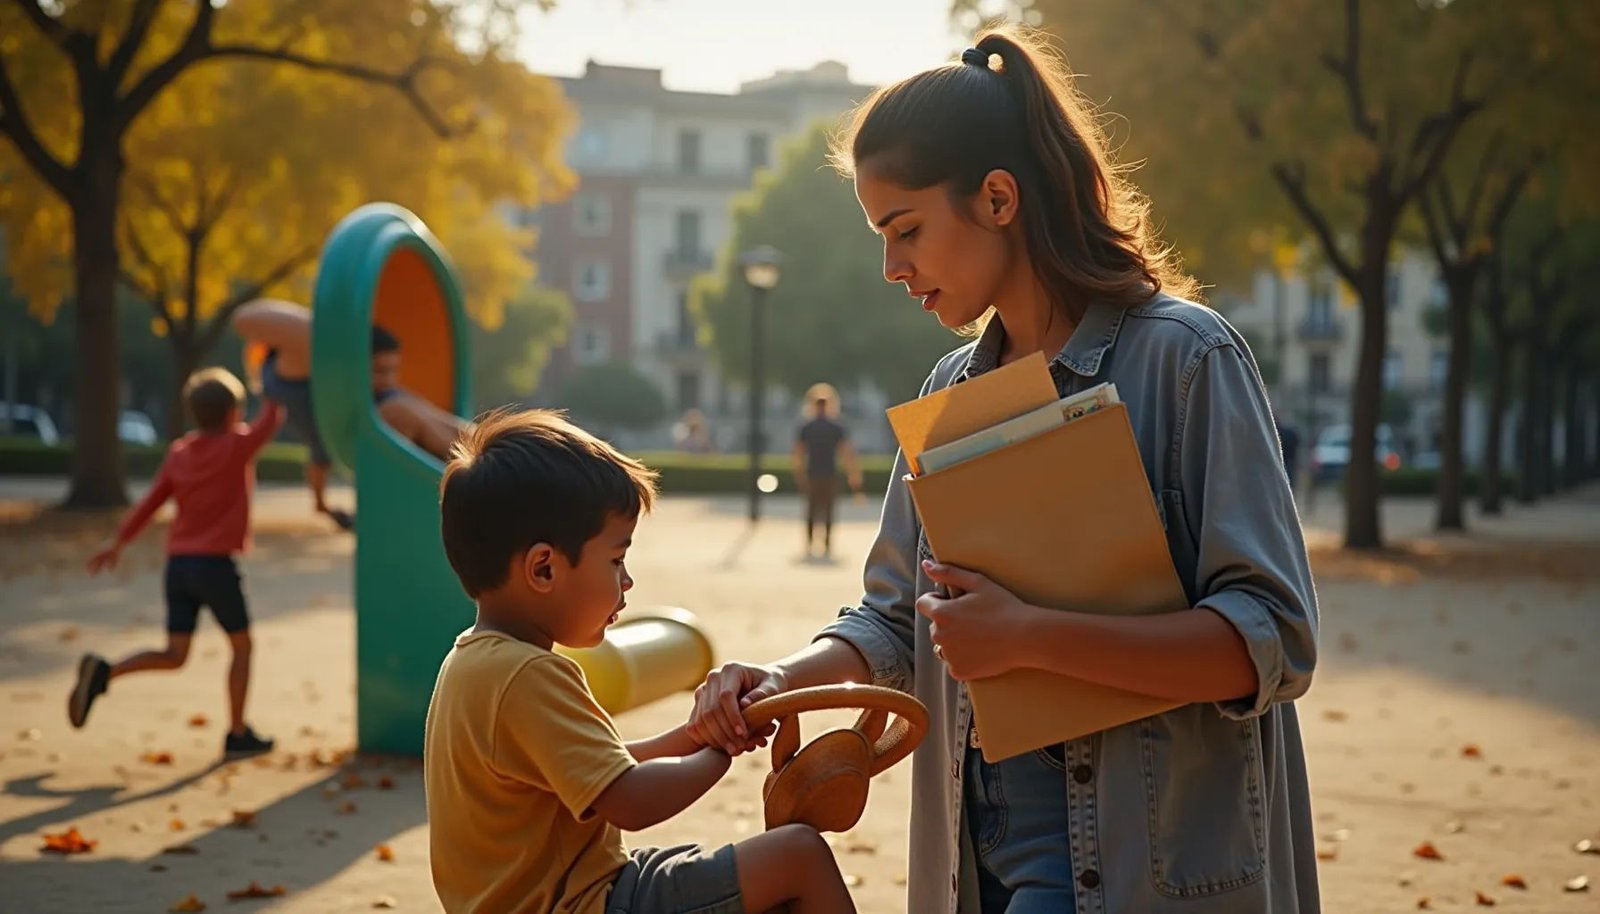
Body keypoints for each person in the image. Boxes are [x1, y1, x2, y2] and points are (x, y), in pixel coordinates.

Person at [688, 27, 1320, 914]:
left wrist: (1029, 635)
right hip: (972, 857)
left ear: (996, 198)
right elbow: (896, 621)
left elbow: (1273, 641)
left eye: (905, 229)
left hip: (1143, 862)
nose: (889, 267)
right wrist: (781, 679)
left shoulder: (1186, 360)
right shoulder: (948, 391)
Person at [424, 408, 855, 914]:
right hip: (586, 904)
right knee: (798, 856)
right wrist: (721, 751)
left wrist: (696, 736)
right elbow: (630, 800)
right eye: (615, 559)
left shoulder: (473, 663)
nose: (626, 581)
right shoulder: (529, 674)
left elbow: (606, 763)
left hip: (581, 887)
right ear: (544, 568)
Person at [71, 368, 282, 758]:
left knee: (175, 654)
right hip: (217, 566)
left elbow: (151, 501)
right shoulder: (236, 446)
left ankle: (106, 672)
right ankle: (237, 733)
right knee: (242, 647)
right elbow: (272, 416)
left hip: (180, 566)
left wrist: (117, 542)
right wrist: (270, 373)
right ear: (233, 413)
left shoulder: (179, 452)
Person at [232, 298, 469, 528]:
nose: (389, 380)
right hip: (354, 403)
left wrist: (322, 505)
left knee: (416, 409)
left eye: (393, 370)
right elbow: (243, 318)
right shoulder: (304, 371)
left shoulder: (381, 396)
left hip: (400, 438)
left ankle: (492, 455)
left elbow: (319, 455)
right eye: (379, 370)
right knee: (400, 410)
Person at [792, 383, 863, 559]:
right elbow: (847, 452)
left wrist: (799, 472)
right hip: (827, 473)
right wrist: (853, 473)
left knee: (813, 509)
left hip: (815, 472)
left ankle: (814, 544)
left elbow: (798, 452)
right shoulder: (835, 426)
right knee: (825, 510)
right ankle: (824, 545)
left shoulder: (808, 426)